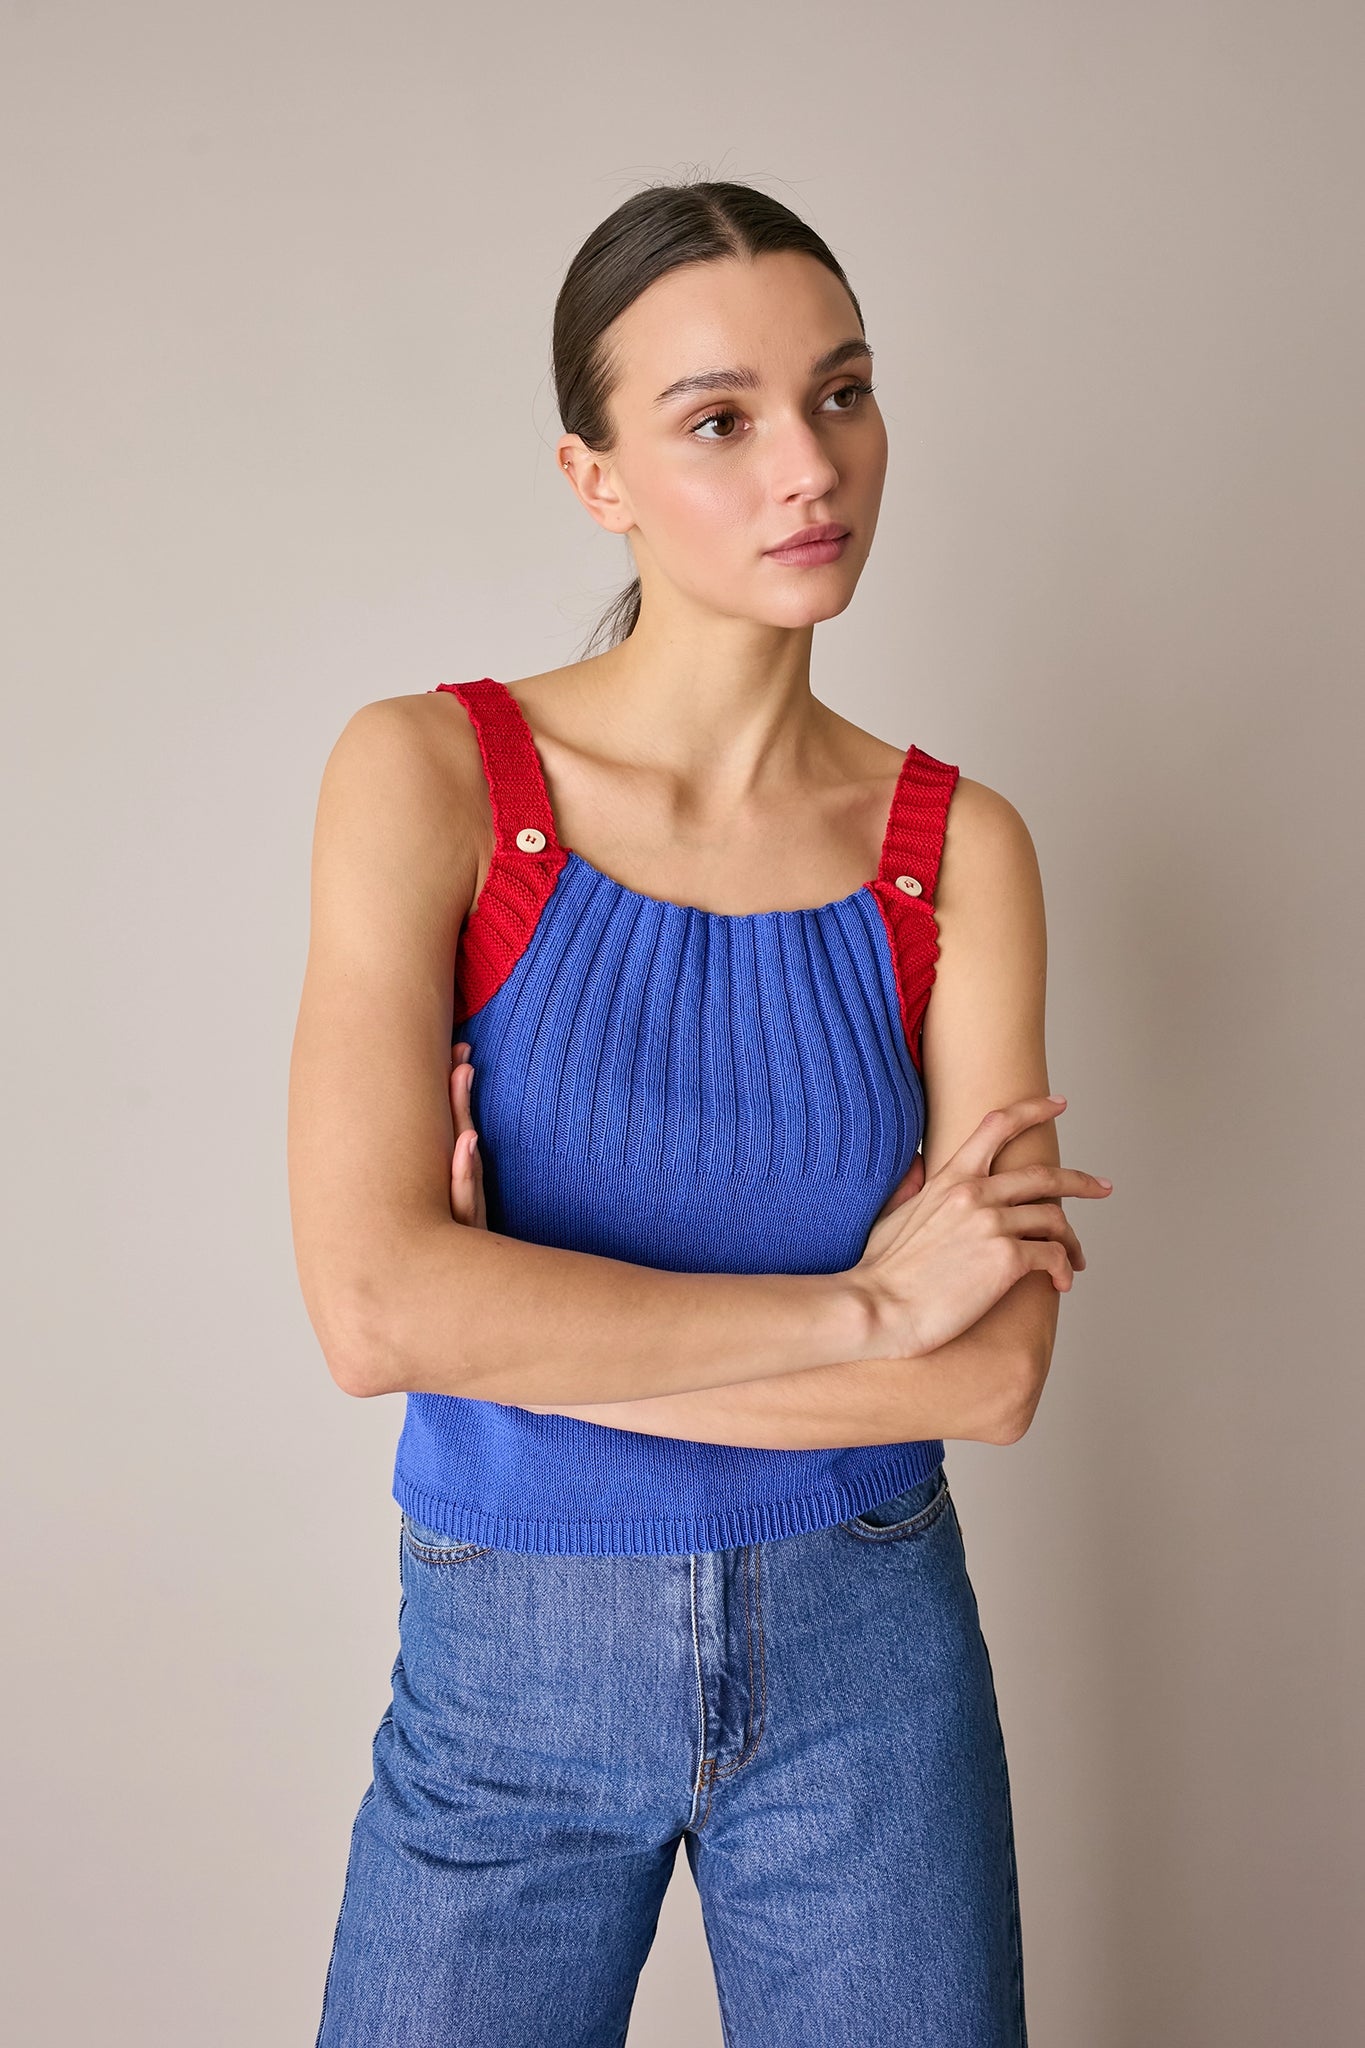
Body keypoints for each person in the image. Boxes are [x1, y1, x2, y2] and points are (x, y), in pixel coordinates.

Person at [288, 176, 1112, 2048]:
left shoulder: (955, 851)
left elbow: (994, 1376)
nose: (808, 466)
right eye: (718, 421)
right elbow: (374, 1313)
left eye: (841, 393)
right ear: (595, 478)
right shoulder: (428, 777)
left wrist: (519, 1326)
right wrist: (869, 1309)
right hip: (505, 1688)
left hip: (867, 1670)